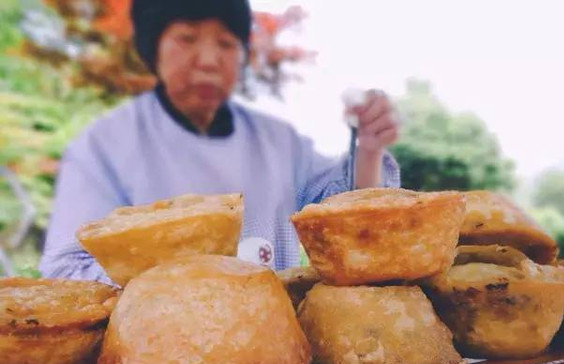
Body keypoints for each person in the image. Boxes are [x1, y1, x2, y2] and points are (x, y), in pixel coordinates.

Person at [39, 0, 401, 283]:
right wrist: (184, 285)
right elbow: (67, 267)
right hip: (156, 357)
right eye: (187, 38)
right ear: (153, 47)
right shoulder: (105, 145)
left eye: (227, 43)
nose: (210, 60)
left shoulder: (278, 141)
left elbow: (352, 215)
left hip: (275, 347)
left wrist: (368, 147)